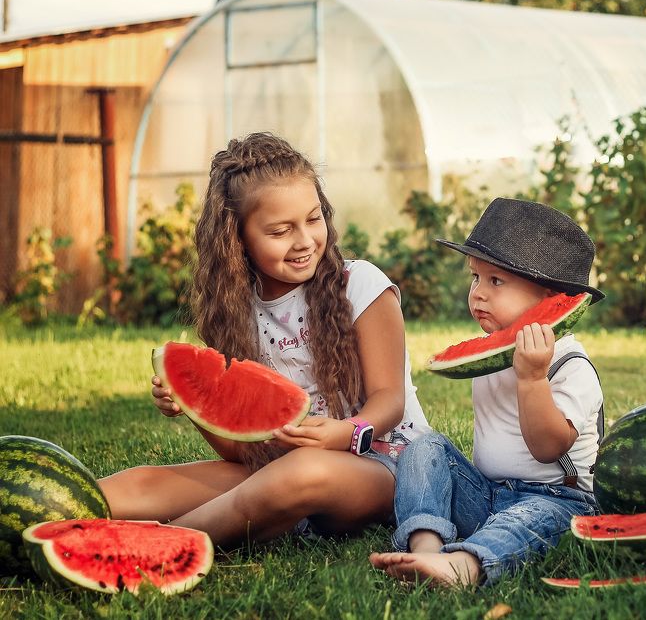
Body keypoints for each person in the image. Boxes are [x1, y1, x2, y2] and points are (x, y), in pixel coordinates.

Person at [99, 132, 430, 547]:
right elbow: (241, 451)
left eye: (313, 218)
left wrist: (346, 432)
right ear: (236, 238)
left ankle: (155, 546)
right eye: (280, 231)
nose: (305, 241)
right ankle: (36, 525)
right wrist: (195, 404)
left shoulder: (360, 285)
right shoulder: (234, 314)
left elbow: (389, 399)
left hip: (389, 466)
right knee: (140, 485)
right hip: (278, 469)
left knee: (302, 472)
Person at [369, 197, 605, 587]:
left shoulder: (571, 367)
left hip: (556, 501)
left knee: (527, 524)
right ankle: (425, 547)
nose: (477, 293)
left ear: (550, 299)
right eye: (475, 277)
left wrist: (532, 380)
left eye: (496, 281)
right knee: (424, 447)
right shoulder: (493, 352)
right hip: (487, 493)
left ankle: (463, 566)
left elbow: (548, 448)